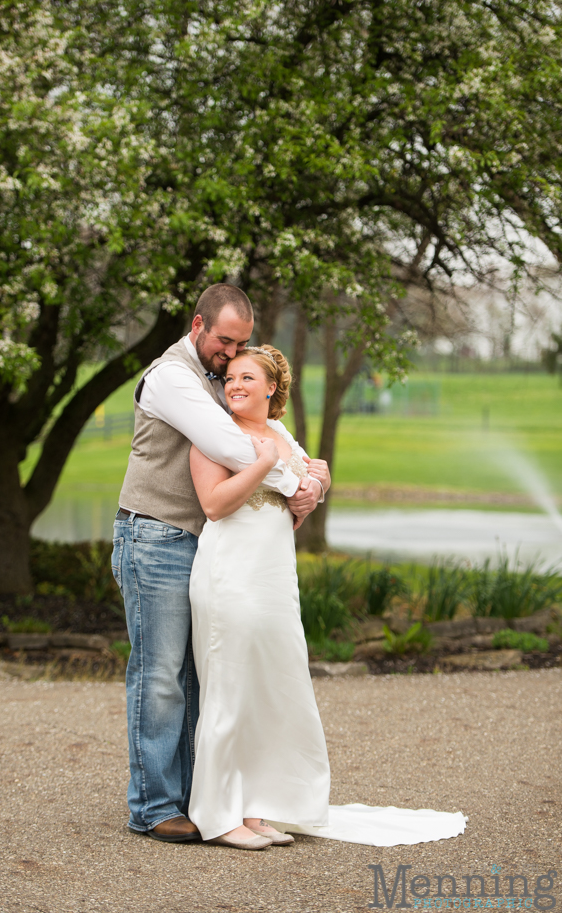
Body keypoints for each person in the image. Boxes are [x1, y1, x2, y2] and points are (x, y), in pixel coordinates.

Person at [187, 345, 468, 851]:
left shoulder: (279, 434)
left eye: (247, 377)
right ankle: (219, 813)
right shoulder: (215, 436)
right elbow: (213, 504)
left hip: (274, 578)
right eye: (230, 377)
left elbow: (313, 472)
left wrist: (317, 483)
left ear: (271, 388)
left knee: (271, 688)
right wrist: (265, 465)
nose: (235, 384)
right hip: (231, 573)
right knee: (230, 686)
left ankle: (255, 807)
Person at [113, 285, 329, 843]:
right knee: (160, 675)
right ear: (197, 325)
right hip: (154, 533)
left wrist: (315, 479)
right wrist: (300, 480)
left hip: (205, 543)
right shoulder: (171, 377)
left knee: (200, 675)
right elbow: (230, 445)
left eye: (241, 345)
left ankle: (206, 800)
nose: (232, 356)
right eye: (224, 342)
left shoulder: (220, 378)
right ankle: (153, 807)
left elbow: (269, 438)